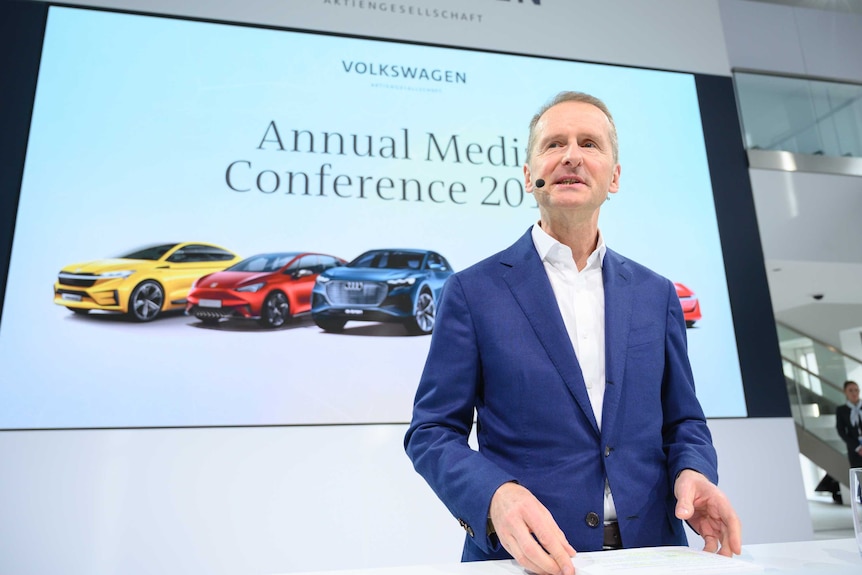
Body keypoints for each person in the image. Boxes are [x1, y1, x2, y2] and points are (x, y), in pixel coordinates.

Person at [404, 91, 741, 575]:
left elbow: (683, 421)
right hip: (527, 559)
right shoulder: (471, 291)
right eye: (554, 144)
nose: (571, 156)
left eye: (589, 143)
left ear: (615, 177)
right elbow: (432, 431)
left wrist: (694, 471)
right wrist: (494, 496)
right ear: (528, 176)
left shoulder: (657, 294)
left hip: (653, 553)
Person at [836, 380, 862, 468]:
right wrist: (857, 447)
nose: (854, 393)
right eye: (850, 390)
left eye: (856, 390)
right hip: (854, 449)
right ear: (845, 392)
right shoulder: (842, 410)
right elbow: (841, 430)